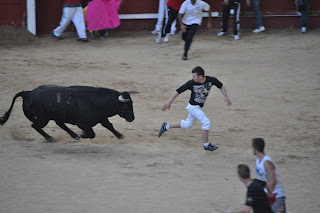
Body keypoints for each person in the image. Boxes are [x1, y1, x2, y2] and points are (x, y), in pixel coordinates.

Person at [158, 66, 232, 151]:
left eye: (194, 76)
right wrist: (169, 102)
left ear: (200, 76)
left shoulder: (211, 80)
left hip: (198, 107)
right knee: (206, 122)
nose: (193, 78)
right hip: (193, 107)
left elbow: (221, 86)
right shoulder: (191, 83)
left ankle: (166, 126)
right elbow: (178, 91)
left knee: (187, 125)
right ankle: (206, 145)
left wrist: (226, 97)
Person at [252, 138, 287, 213]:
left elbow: (273, 182)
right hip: (269, 196)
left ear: (254, 148)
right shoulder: (258, 161)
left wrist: (270, 199)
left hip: (276, 196)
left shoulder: (267, 163)